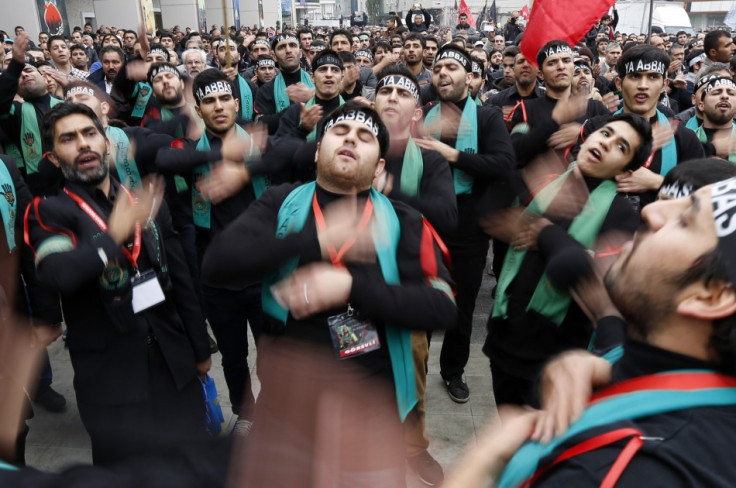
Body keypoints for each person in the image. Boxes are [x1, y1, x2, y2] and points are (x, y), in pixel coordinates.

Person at [200, 101, 457, 486]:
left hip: (370, 408)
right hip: (285, 406)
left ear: (381, 166)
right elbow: (218, 263)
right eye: (339, 131)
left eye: (365, 136)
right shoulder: (280, 203)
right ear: (318, 151)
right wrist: (313, 238)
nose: (351, 137)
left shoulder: (405, 221)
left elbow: (443, 306)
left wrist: (354, 287)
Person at [492, 171, 736, 487]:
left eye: (685, 220)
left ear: (711, 296)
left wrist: (481, 462)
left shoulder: (609, 470)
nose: (650, 211)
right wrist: (595, 361)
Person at [25, 102, 211, 465]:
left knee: (192, 465)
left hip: (173, 364)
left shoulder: (141, 201)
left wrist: (199, 349)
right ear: (52, 156)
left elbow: (181, 278)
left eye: (90, 133)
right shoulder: (49, 212)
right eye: (69, 139)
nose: (83, 144)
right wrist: (113, 238)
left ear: (107, 143)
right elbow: (57, 274)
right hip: (112, 381)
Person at [485, 113, 651, 406]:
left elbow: (585, 274)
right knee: (508, 420)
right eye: (606, 133)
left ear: (625, 171)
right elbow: (494, 219)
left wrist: (547, 233)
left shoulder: (621, 211)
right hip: (505, 334)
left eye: (621, 146)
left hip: (555, 355)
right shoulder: (548, 179)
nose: (607, 142)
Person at [155, 69, 268, 435]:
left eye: (224, 99)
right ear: (198, 111)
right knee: (234, 358)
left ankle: (276, 409)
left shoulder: (261, 145)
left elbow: (294, 157)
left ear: (237, 103)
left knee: (273, 355)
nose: (219, 107)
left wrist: (247, 169)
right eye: (209, 101)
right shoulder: (189, 153)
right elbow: (158, 159)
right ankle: (245, 412)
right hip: (216, 280)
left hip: (265, 275)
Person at [373, 65, 457, 486]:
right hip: (358, 286)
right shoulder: (352, 146)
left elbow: (446, 217)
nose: (391, 97)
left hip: (408, 286)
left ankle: (412, 446)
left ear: (415, 110)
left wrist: (389, 188)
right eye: (383, 90)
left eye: (401, 93)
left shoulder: (429, 158)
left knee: (413, 370)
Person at [417, 44, 515, 403]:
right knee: (422, 302)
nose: (443, 73)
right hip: (424, 224)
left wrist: (452, 156)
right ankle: (417, 370)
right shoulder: (423, 115)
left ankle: (453, 371)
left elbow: (504, 164)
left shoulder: (487, 118)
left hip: (468, 228)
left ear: (469, 76)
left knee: (462, 307)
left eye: (452, 67)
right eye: (437, 67)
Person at [583, 45, 704, 212]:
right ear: (619, 83)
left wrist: (658, 182)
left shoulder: (684, 138)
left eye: (653, 77)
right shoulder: (595, 127)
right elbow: (575, 183)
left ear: (664, 84)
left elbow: (700, 198)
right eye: (634, 76)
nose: (643, 85)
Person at [276, 49, 345, 142]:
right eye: (323, 69)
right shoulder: (296, 112)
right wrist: (302, 130)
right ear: (312, 77)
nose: (329, 74)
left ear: (342, 78)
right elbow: (279, 150)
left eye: (335, 70)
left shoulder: (352, 113)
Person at [254, 33, 314, 135]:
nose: (288, 50)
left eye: (292, 45)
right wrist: (296, 109)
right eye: (282, 47)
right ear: (274, 56)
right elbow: (261, 126)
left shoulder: (315, 83)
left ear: (300, 53)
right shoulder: (266, 90)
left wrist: (313, 96)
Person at [690, 75, 736, 159]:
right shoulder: (687, 140)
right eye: (716, 93)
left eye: (731, 93)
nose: (725, 96)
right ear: (701, 105)